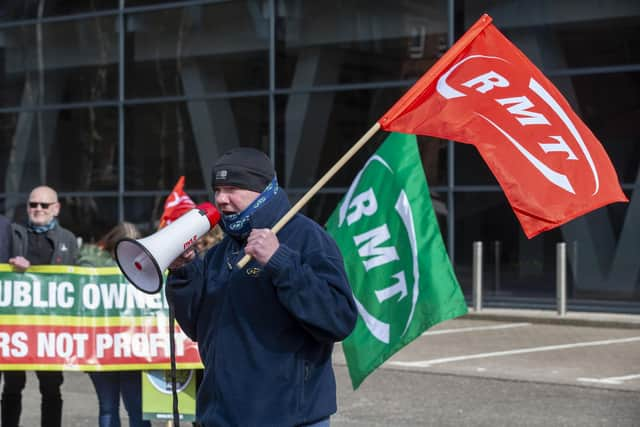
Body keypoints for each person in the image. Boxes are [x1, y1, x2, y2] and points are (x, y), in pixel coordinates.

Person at [166, 147, 358, 427]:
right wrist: (184, 272)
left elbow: (338, 319)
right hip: (220, 417)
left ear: (263, 190)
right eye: (217, 189)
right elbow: (197, 327)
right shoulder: (221, 252)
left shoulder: (308, 238)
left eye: (232, 188)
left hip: (289, 418)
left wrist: (280, 262)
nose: (221, 199)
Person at [4, 185, 79, 427]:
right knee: (13, 386)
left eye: (44, 205)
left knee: (51, 388)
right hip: (16, 325)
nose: (37, 209)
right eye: (32, 204)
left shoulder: (68, 239)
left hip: (51, 328)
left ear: (56, 209)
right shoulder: (12, 233)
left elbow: (77, 277)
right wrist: (10, 265)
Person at [78, 222, 152, 427]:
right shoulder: (91, 267)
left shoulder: (89, 266)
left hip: (121, 347)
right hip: (118, 347)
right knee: (128, 407)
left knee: (117, 407)